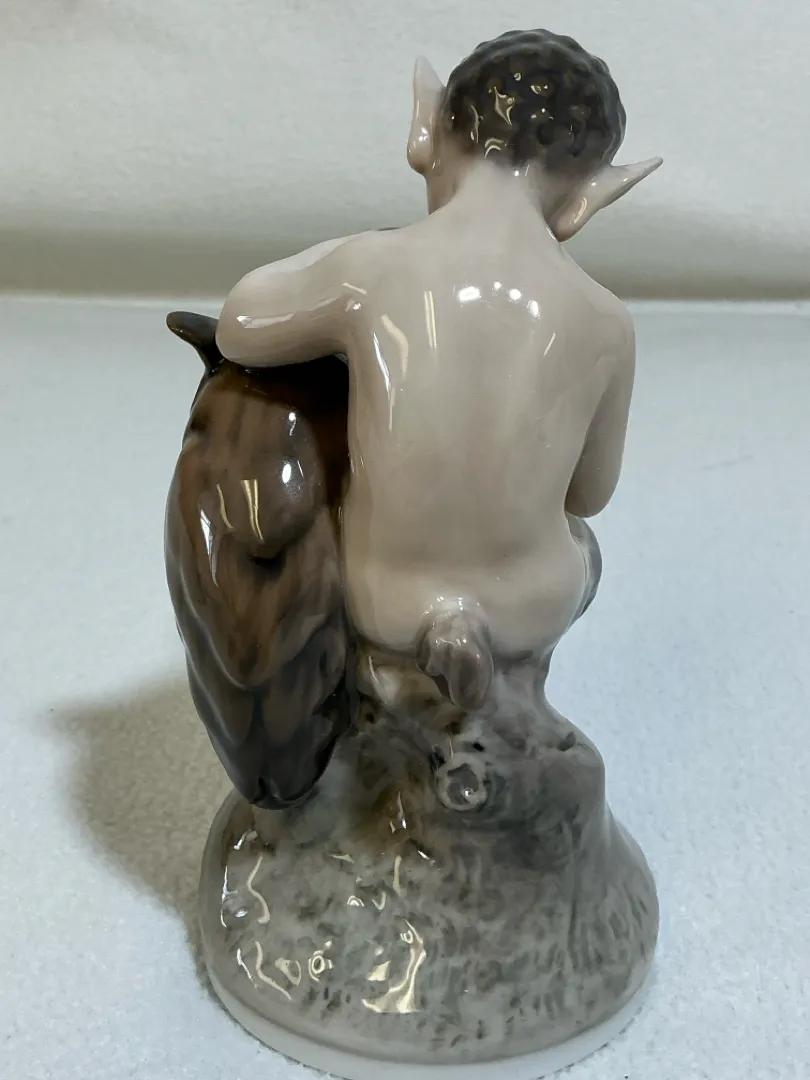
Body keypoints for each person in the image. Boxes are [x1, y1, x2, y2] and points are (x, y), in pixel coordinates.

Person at [215, 29, 661, 710]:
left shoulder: (371, 268)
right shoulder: (606, 320)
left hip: (382, 598)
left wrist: (354, 252)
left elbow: (240, 323)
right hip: (531, 604)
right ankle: (499, 679)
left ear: (424, 132)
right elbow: (589, 494)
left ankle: (407, 665)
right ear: (589, 198)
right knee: (580, 545)